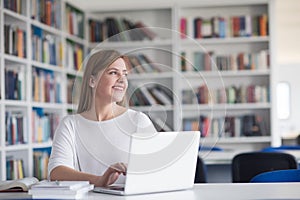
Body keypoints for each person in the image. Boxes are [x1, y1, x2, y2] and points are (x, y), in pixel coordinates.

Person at [48, 49, 157, 187]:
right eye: (113, 73)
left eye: (125, 74)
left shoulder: (138, 121)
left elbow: (158, 170)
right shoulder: (70, 125)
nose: (122, 80)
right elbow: (56, 172)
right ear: (92, 81)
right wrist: (98, 180)